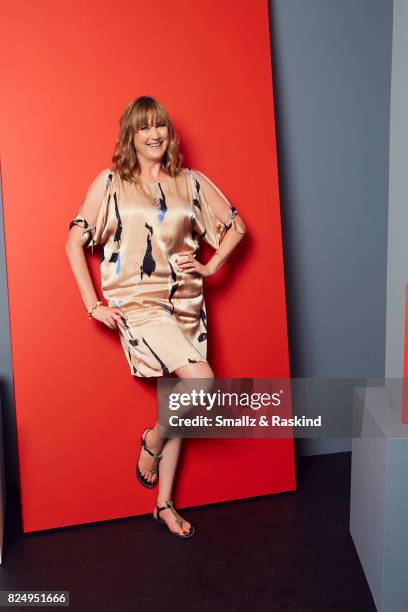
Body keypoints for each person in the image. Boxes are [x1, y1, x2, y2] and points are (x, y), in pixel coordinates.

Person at [65, 95, 247, 538]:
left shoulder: (191, 182)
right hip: (139, 305)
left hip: (187, 303)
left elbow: (237, 227)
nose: (154, 134)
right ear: (131, 135)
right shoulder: (110, 182)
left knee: (179, 402)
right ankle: (150, 440)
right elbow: (73, 241)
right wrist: (93, 305)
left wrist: (209, 267)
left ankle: (164, 503)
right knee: (202, 385)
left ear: (169, 132)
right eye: (144, 127)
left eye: (160, 126)